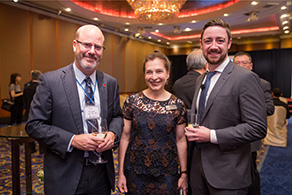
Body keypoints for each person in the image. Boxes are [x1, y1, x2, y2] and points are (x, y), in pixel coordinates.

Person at [25, 24, 123, 195]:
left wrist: (113, 134)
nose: (92, 51)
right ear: (74, 45)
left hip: (101, 175)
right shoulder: (50, 81)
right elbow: (34, 125)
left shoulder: (110, 83)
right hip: (65, 174)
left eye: (98, 47)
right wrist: (72, 140)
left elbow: (117, 117)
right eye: (86, 44)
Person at [185, 18, 267, 194]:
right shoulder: (201, 78)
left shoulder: (245, 78)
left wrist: (212, 135)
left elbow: (257, 128)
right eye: (208, 41)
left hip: (228, 175)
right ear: (201, 44)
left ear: (229, 43)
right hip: (198, 171)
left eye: (219, 40)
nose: (213, 46)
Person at [117, 50, 188, 194]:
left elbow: (181, 140)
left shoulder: (178, 105)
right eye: (149, 72)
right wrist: (121, 173)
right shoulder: (132, 102)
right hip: (135, 172)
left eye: (159, 71)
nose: (154, 77)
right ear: (144, 75)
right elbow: (125, 137)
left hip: (167, 173)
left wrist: (184, 173)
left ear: (167, 74)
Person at [233, 51, 274, 195]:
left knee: (250, 171)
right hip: (231, 135)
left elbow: (270, 108)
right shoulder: (227, 83)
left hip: (250, 137)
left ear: (251, 66)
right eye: (237, 63)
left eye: (244, 63)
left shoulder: (262, 84)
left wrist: (249, 108)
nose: (241, 66)